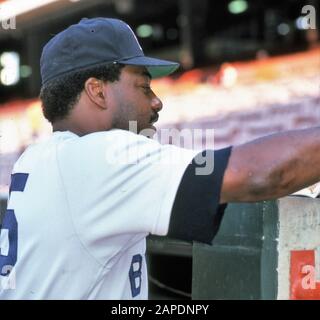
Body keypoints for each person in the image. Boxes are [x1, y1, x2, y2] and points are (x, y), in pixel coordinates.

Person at [0, 17, 319, 300]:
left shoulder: (39, 156)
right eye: (143, 86)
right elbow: (261, 175)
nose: (157, 102)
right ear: (97, 91)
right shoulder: (99, 156)